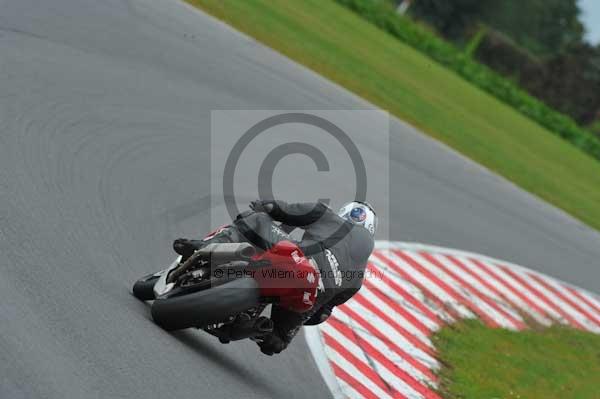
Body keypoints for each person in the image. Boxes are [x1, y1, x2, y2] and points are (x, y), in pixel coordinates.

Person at [173, 199, 376, 356]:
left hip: (299, 258)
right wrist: (292, 322)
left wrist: (267, 206)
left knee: (257, 219)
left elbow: (285, 210)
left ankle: (205, 247)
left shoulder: (328, 215)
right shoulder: (357, 278)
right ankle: (258, 328)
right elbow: (322, 314)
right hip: (312, 292)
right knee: (275, 341)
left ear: (345, 213)